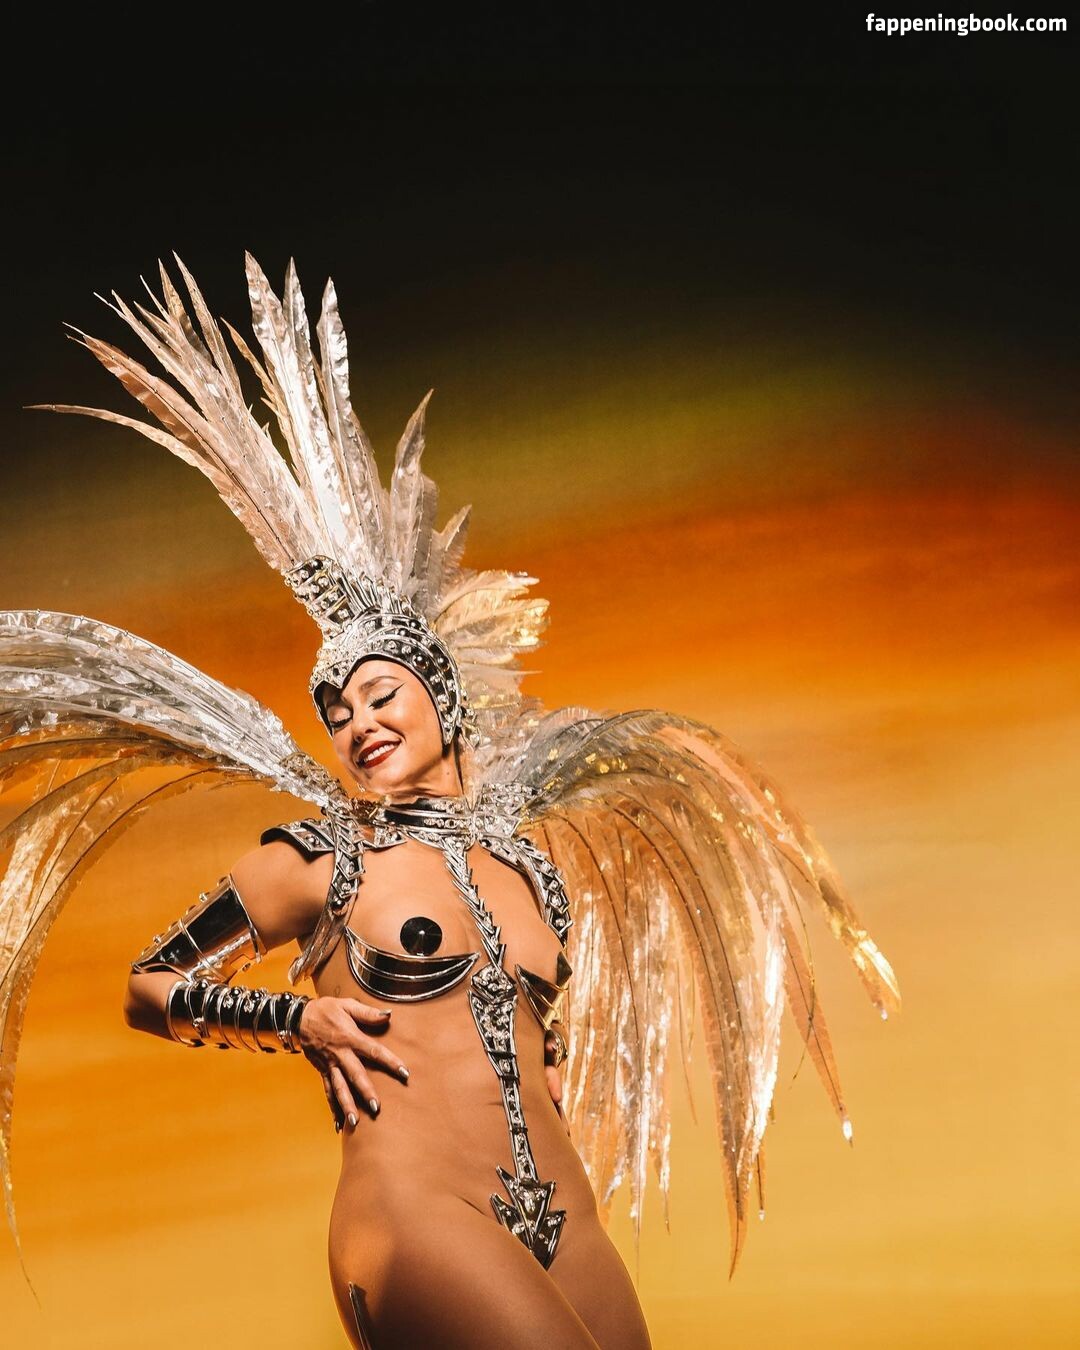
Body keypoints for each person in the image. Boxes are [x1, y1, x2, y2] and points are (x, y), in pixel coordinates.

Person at [0, 253, 901, 1348]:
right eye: (338, 714)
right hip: (419, 1217)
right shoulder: (321, 860)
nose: (359, 723)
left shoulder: (532, 875)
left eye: (381, 695)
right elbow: (150, 988)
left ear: (442, 698)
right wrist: (296, 1017)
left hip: (563, 1222)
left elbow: (538, 1055)